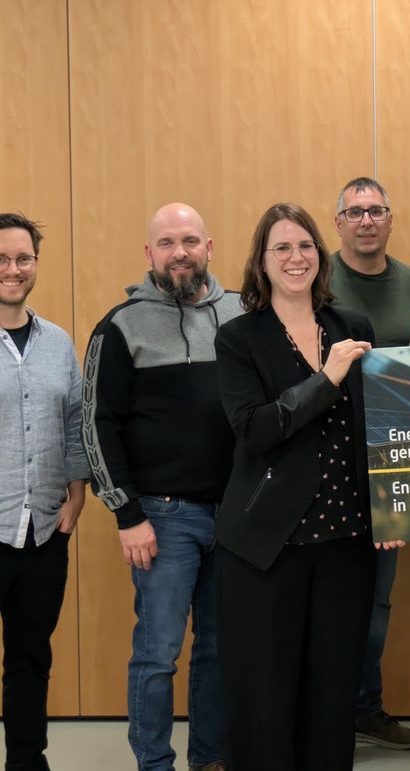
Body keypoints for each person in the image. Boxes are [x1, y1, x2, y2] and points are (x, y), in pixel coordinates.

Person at [214, 203, 401, 771]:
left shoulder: (352, 329)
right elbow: (256, 429)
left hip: (347, 541)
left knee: (333, 689)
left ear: (320, 256)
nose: (296, 258)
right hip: (268, 546)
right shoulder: (239, 338)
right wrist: (327, 379)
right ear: (262, 262)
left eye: (305, 246)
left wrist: (392, 507)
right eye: (282, 248)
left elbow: (377, 426)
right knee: (267, 693)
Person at [83, 203, 241, 771]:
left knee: (220, 652)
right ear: (148, 254)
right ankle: (154, 763)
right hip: (163, 518)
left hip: (236, 517)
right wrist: (126, 515)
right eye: (168, 243)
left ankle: (210, 759)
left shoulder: (245, 315)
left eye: (191, 241)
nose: (181, 252)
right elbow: (95, 423)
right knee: (158, 655)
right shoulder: (120, 326)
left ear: (210, 247)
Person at [331, 176, 410, 751]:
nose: (367, 220)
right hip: (321, 462)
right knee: (320, 593)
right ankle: (321, 713)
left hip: (392, 466)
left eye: (377, 211)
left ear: (391, 220)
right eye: (355, 211)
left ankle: (365, 707)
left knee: (376, 598)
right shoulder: (312, 283)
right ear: (336, 221)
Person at [0, 213, 88, 771]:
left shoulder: (58, 343)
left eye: (23, 259)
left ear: (36, 263)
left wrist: (77, 493)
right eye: (2, 259)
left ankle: (27, 762)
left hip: (43, 531)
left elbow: (77, 421)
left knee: (30, 659)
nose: (13, 270)